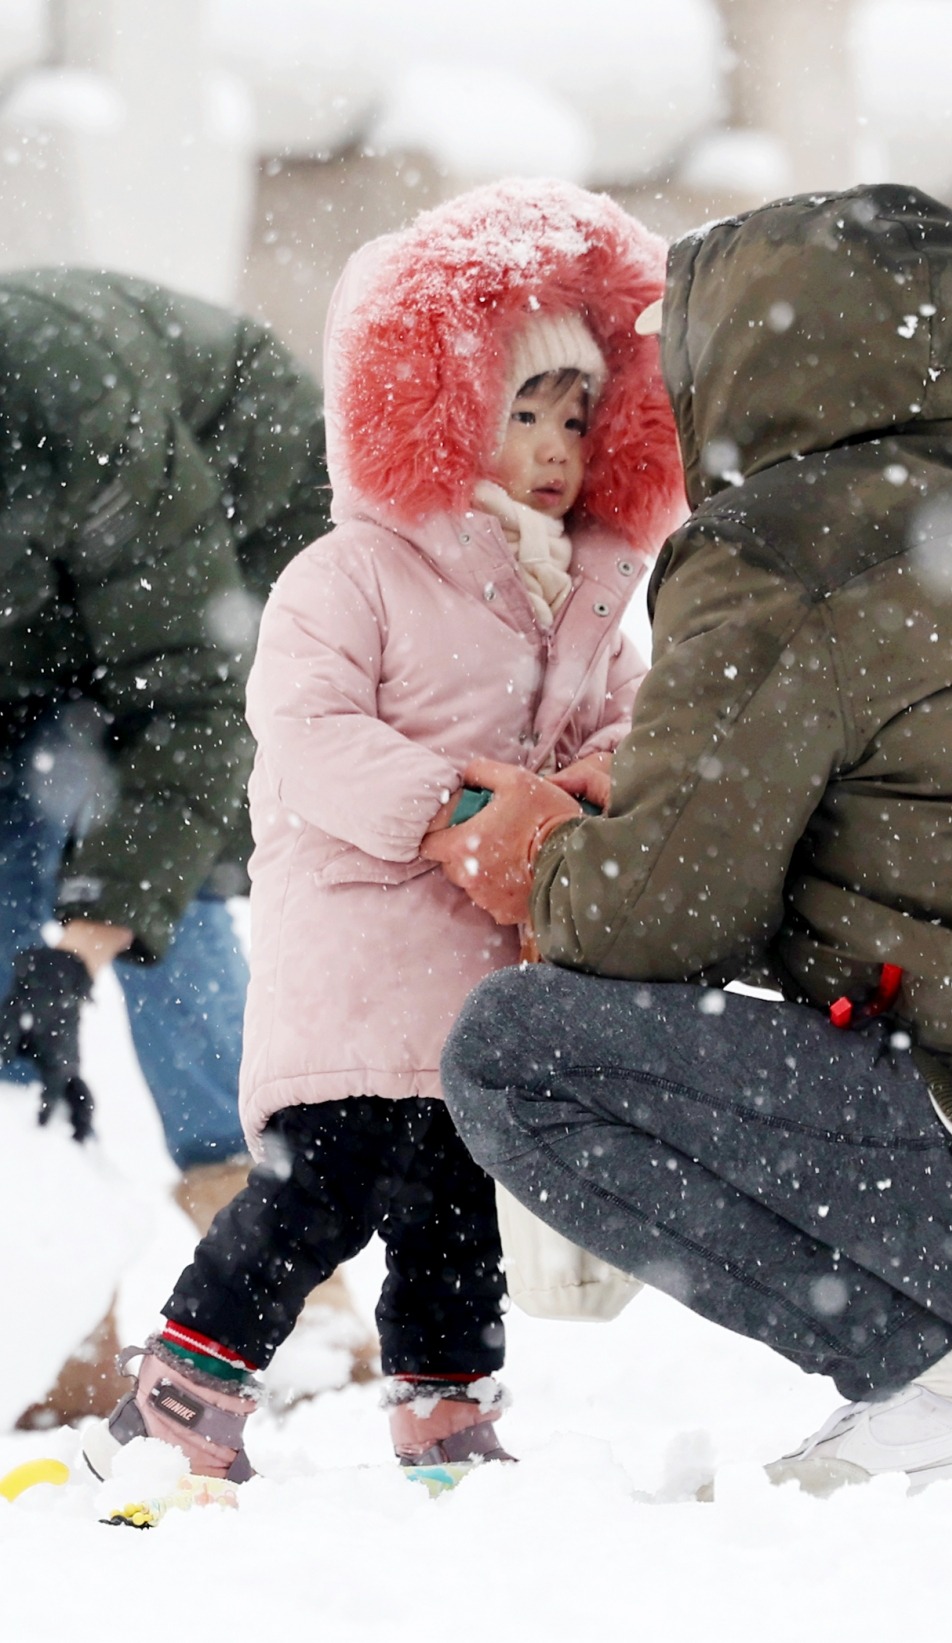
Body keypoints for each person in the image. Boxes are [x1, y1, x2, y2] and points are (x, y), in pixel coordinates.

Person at [431, 183, 952, 1501]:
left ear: (732, 356)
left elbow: (665, 919)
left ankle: (951, 1393)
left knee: (517, 1053)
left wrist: (538, 858)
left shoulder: (778, 546)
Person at [81, 178, 684, 1487]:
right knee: (314, 1195)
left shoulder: (586, 592)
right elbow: (305, 730)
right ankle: (180, 1399)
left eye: (577, 416)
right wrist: (463, 811)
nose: (553, 444)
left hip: (484, 987)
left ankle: (446, 1421)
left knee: (455, 1215)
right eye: (523, 409)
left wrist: (580, 795)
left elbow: (638, 725)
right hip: (358, 963)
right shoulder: (350, 573)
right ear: (446, 407)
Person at [0, 269, 380, 1427]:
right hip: (43, 597)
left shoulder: (66, 401)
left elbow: (188, 701)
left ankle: (283, 1272)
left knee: (172, 868)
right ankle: (39, 1306)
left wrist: (82, 944)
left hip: (230, 523)